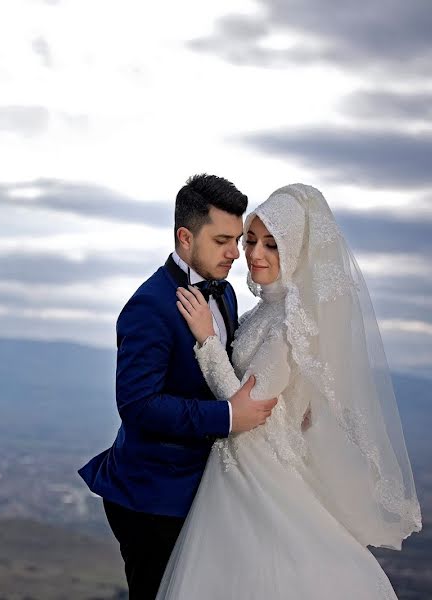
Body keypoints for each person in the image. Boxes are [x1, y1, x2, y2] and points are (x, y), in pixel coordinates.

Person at [157, 184, 422, 599]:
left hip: (256, 466)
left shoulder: (289, 325)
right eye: (251, 240)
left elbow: (248, 405)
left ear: (297, 250)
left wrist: (207, 340)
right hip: (236, 466)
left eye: (272, 245)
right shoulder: (265, 311)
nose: (255, 254)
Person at [78, 174, 278, 600]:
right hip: (152, 498)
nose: (234, 254)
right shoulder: (150, 306)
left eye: (236, 239)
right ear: (185, 237)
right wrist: (228, 417)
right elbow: (138, 406)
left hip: (202, 488)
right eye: (222, 240)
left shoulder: (224, 293)